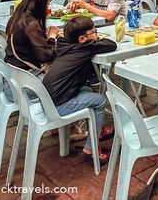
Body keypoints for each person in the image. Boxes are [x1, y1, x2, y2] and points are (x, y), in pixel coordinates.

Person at [43, 16, 117, 166]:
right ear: (82, 38)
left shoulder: (63, 44)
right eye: (94, 32)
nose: (96, 34)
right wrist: (94, 41)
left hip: (47, 98)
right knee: (100, 100)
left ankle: (95, 128)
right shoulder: (84, 47)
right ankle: (91, 149)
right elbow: (111, 44)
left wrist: (92, 38)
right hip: (58, 106)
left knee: (87, 89)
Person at [5, 0, 57, 73]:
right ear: (41, 1)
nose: (48, 4)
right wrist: (52, 37)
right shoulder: (31, 24)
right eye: (48, 0)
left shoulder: (16, 16)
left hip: (11, 70)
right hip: (26, 75)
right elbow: (46, 56)